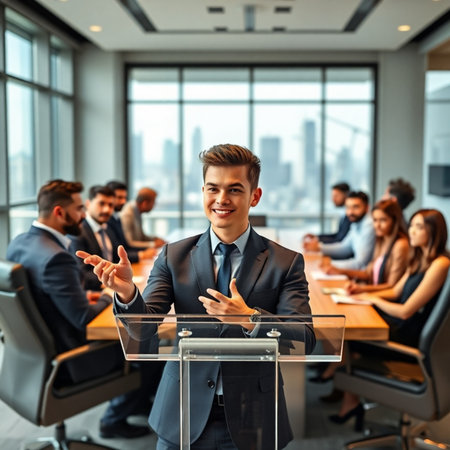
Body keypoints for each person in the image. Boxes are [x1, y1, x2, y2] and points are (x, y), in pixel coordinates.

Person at [77, 144, 316, 450]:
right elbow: (144, 328)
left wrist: (249, 319)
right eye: (213, 188)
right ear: (203, 191)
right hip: (182, 409)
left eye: (235, 189)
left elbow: (305, 337)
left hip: (253, 412)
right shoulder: (174, 255)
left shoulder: (285, 261)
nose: (222, 199)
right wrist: (126, 293)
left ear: (254, 196)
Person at [6, 179, 153, 439]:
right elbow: (83, 317)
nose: (83, 215)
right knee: (150, 346)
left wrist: (84, 293)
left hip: (35, 359)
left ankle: (136, 404)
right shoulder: (56, 257)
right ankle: (114, 419)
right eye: (78, 209)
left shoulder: (21, 242)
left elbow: (44, 294)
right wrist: (111, 293)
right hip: (71, 360)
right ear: (59, 212)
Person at [328, 208, 450, 430]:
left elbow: (405, 310)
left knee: (349, 336)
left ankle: (350, 399)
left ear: (434, 232)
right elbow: (394, 291)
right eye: (411, 224)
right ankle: (350, 399)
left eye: (418, 226)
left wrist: (370, 298)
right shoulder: (419, 258)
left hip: (412, 334)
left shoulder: (440, 263)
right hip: (403, 323)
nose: (411, 231)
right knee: (347, 328)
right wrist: (361, 293)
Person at [324, 198, 409, 292]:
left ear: (394, 221)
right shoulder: (381, 240)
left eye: (383, 220)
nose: (377, 225)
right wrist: (340, 271)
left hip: (382, 300)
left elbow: (392, 286)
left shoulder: (400, 245)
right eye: (375, 220)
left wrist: (362, 289)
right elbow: (369, 273)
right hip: (372, 294)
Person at [315, 191, 376, 270]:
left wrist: (331, 264)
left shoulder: (369, 225)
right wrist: (319, 247)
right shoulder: (356, 223)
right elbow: (345, 247)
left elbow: (361, 263)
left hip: (364, 277)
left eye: (356, 207)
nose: (350, 212)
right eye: (347, 207)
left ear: (367, 208)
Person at [105, 180, 157, 263]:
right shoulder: (110, 220)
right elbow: (117, 252)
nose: (123, 202)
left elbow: (123, 245)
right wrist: (142, 254)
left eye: (124, 198)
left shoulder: (116, 218)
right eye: (119, 198)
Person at [303, 182, 351, 248]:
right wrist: (317, 237)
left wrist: (318, 244)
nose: (333, 199)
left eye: (336, 196)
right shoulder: (345, 214)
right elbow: (337, 236)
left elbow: (339, 240)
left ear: (346, 195)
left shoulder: (351, 217)